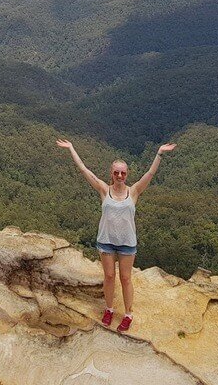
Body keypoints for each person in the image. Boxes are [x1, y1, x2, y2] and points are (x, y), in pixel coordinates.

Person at [55, 138, 176, 332]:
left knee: (126, 279)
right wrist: (71, 148)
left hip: (127, 242)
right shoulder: (104, 190)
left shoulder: (134, 191)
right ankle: (109, 309)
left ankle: (128, 314)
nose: (120, 175)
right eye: (116, 172)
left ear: (127, 174)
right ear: (111, 174)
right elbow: (85, 170)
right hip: (106, 241)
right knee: (109, 276)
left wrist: (159, 153)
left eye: (123, 173)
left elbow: (150, 173)